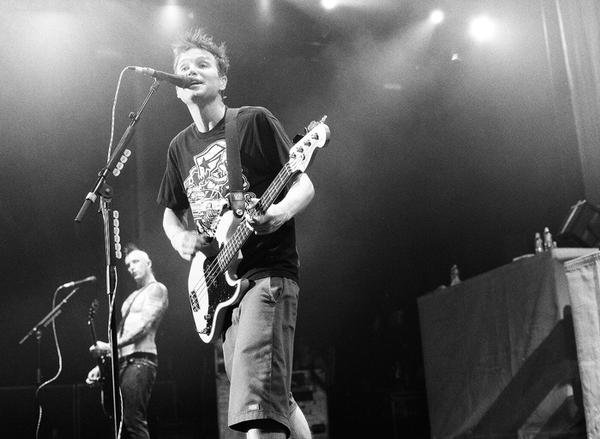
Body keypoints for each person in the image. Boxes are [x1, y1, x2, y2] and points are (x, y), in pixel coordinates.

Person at [157, 28, 313, 439]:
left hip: (266, 275)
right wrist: (179, 238)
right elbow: (171, 213)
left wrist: (278, 213)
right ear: (177, 88)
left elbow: (303, 183)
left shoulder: (252, 121)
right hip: (222, 288)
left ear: (222, 79)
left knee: (256, 409)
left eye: (202, 64)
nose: (192, 71)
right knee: (276, 398)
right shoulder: (178, 147)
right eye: (184, 67)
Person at [86, 246, 169, 439]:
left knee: (133, 419)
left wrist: (109, 347)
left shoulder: (157, 289)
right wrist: (104, 361)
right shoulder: (132, 297)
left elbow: (143, 327)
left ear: (148, 263)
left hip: (140, 360)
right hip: (123, 362)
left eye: (136, 262)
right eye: (128, 264)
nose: (131, 267)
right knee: (119, 423)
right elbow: (124, 332)